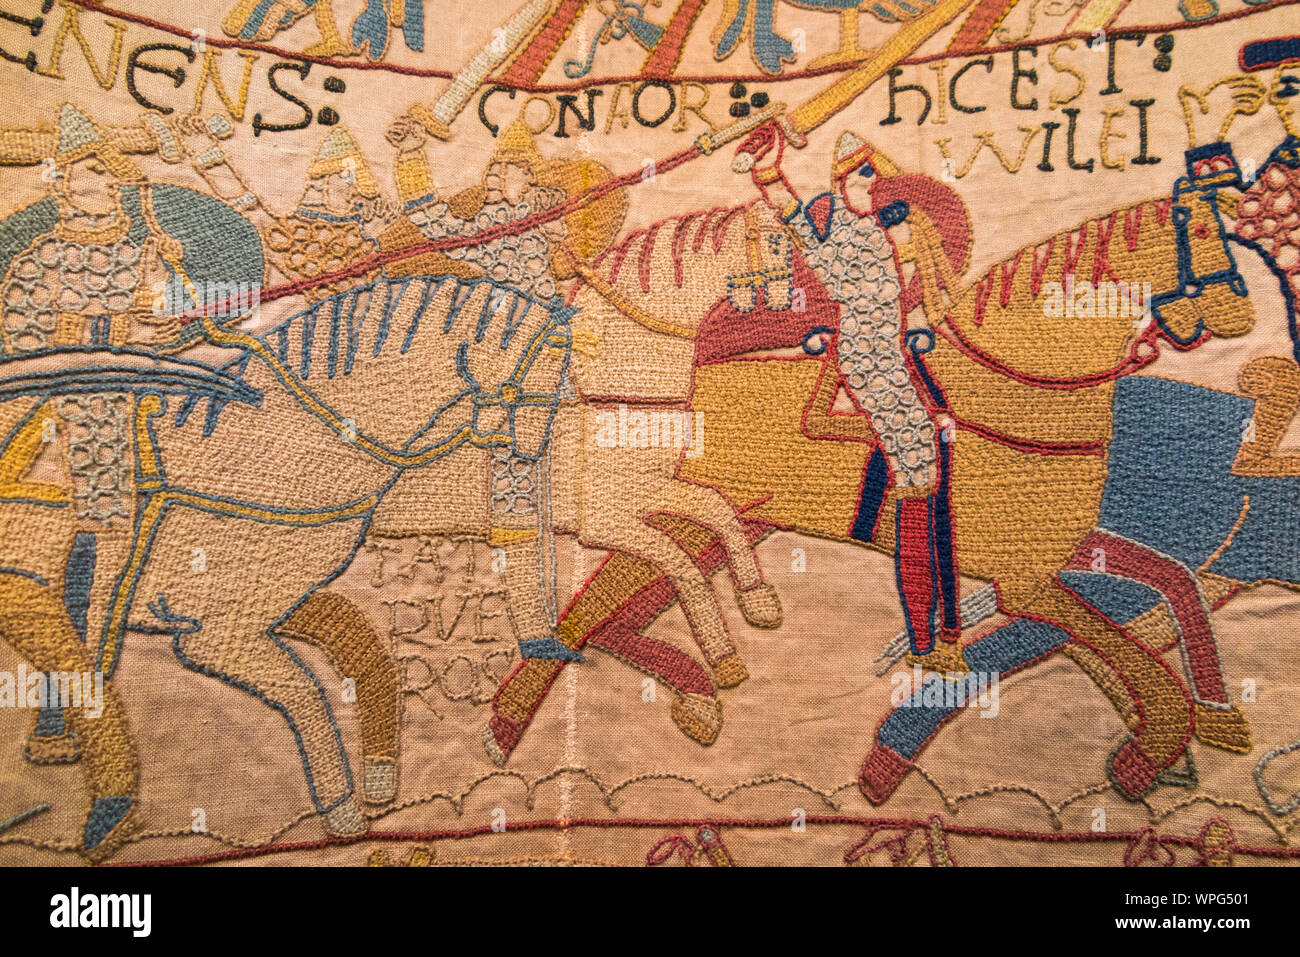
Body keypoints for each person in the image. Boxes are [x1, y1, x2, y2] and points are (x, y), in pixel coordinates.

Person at [735, 124, 970, 672]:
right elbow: (787, 208)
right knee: (920, 477)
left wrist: (917, 326)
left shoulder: (886, 234)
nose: (874, 184)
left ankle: (941, 622)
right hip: (868, 364)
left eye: (875, 176)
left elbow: (907, 293)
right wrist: (766, 167)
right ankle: (924, 639)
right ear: (843, 183)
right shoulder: (832, 237)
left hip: (898, 358)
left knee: (938, 458)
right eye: (865, 176)